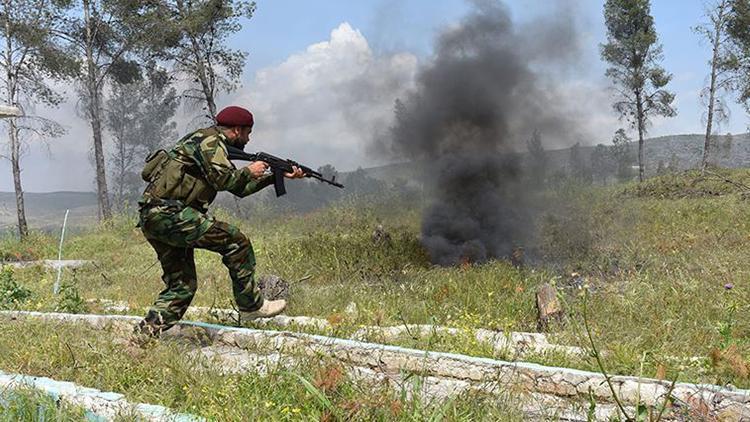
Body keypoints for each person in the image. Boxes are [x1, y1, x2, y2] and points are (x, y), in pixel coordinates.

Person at [135, 105, 304, 336]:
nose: (248, 139)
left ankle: (143, 337)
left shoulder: (208, 141)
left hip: (155, 217)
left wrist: (275, 177)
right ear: (236, 129)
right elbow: (227, 180)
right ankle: (251, 305)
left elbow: (239, 189)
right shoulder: (210, 141)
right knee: (237, 241)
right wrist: (250, 170)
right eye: (248, 133)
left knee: (182, 286)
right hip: (171, 214)